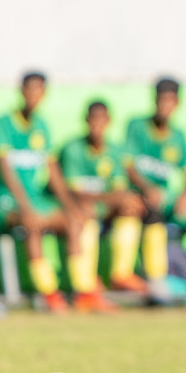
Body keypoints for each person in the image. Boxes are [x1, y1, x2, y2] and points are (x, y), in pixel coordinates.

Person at [0, 72, 111, 313]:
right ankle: (48, 292)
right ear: (21, 91)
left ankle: (83, 291)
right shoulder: (3, 123)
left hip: (33, 199)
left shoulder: (42, 126)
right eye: (30, 90)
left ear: (44, 94)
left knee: (74, 222)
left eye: (39, 91)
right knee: (33, 223)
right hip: (1, 200)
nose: (34, 96)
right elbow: (6, 170)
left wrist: (71, 207)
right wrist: (26, 208)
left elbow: (53, 174)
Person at [58, 100, 149, 295]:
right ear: (86, 121)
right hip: (78, 209)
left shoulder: (115, 151)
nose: (97, 125)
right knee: (85, 216)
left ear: (108, 121)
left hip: (101, 207)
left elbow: (119, 189)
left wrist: (110, 200)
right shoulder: (72, 149)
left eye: (102, 120)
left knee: (131, 207)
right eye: (93, 120)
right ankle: (86, 287)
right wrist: (108, 198)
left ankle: (121, 275)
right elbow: (75, 192)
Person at [123, 78, 186, 294]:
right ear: (154, 101)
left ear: (177, 103)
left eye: (170, 101)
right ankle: (137, 276)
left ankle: (168, 279)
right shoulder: (137, 127)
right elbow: (128, 165)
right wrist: (147, 189)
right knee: (141, 213)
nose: (166, 106)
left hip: (163, 200)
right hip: (138, 196)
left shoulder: (179, 136)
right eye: (162, 100)